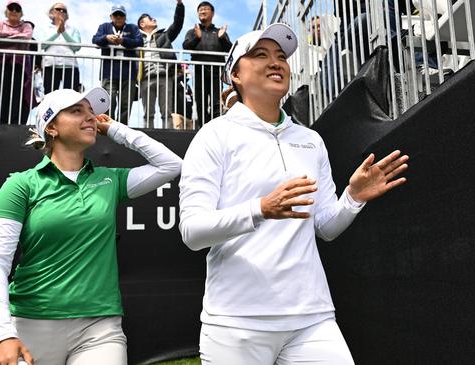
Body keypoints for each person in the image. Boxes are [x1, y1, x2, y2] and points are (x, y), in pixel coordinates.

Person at [179, 23, 409, 364]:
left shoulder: (311, 140)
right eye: (260, 55)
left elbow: (326, 227)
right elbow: (192, 232)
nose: (276, 62)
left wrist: (353, 197)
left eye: (281, 56)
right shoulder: (213, 136)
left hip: (312, 318)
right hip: (236, 322)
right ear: (236, 77)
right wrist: (261, 208)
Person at [0, 87, 182, 365]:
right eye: (77, 111)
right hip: (31, 323)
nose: (91, 118)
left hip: (100, 328)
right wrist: (1, 334)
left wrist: (116, 129)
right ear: (51, 128)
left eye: (92, 112)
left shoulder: (109, 179)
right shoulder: (20, 185)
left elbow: (171, 165)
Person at [0, 0, 34, 125]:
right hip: (0, 63)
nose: (14, 11)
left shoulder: (26, 26)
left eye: (17, 9)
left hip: (19, 66)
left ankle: (14, 124)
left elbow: (26, 37)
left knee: (17, 93)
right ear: (6, 11)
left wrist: (5, 38)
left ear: (21, 13)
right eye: (11, 8)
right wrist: (16, 36)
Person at [182, 1, 231, 127]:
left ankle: (216, 128)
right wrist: (197, 37)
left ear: (212, 13)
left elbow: (229, 50)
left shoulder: (219, 31)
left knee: (216, 101)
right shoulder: (193, 31)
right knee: (201, 102)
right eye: (200, 10)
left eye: (205, 9)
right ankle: (203, 128)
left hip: (216, 72)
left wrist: (222, 38)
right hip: (199, 71)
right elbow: (186, 46)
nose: (202, 11)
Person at [137, 0, 184, 129]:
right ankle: (148, 135)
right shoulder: (136, 40)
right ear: (142, 23)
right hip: (145, 79)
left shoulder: (164, 35)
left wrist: (179, 6)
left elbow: (177, 24)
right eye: (150, 19)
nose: (154, 19)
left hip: (164, 77)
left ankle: (167, 134)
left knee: (166, 113)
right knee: (148, 114)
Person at [92, 4, 143, 124]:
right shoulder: (104, 27)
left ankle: (122, 128)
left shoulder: (132, 28)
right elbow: (95, 40)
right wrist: (106, 38)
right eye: (116, 14)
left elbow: (139, 41)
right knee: (109, 101)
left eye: (121, 15)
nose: (118, 17)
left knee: (126, 103)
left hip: (128, 72)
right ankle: (108, 126)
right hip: (108, 72)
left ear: (125, 17)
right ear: (111, 16)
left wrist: (123, 40)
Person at [38, 2, 82, 93]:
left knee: (71, 96)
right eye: (58, 9)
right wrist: (57, 33)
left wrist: (64, 32)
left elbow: (77, 47)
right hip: (50, 65)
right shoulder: (44, 28)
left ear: (67, 15)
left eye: (64, 10)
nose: (61, 11)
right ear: (51, 12)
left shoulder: (74, 29)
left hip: (70, 66)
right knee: (49, 96)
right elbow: (41, 45)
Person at [171, 63, 193, 130]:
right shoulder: (174, 81)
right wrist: (184, 74)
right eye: (184, 66)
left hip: (188, 116)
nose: (186, 68)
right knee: (177, 137)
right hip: (178, 114)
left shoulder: (187, 85)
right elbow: (175, 84)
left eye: (187, 67)